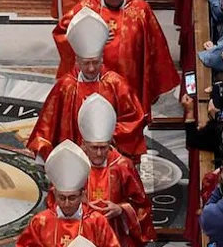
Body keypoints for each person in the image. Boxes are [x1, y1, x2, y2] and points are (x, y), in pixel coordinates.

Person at [53, 0, 178, 115]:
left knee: (129, 121)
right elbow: (61, 33)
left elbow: (157, 49)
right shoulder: (86, 8)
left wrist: (153, 85)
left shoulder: (140, 10)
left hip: (131, 82)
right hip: (94, 86)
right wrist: (88, 41)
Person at [30, 8, 147, 160]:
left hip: (107, 156)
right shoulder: (66, 86)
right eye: (86, 63)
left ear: (102, 59)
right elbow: (47, 125)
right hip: (74, 161)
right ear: (77, 61)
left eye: (95, 62)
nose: (91, 68)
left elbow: (135, 119)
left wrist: (107, 135)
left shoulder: (116, 84)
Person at [72, 94, 154, 247]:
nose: (100, 153)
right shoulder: (74, 163)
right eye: (94, 147)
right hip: (82, 240)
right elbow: (57, 203)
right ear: (84, 144)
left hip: (116, 246)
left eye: (104, 147)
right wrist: (77, 205)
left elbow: (143, 206)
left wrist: (121, 209)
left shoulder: (122, 166)